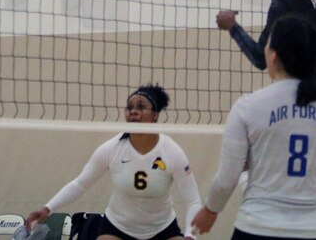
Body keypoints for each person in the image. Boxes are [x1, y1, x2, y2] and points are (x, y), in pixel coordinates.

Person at [191, 14, 316, 240]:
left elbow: (227, 179)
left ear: (273, 56)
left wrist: (210, 211)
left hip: (258, 230)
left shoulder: (248, 107)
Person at [24, 84, 202, 240]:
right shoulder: (112, 149)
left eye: (141, 107)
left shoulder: (171, 152)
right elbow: (80, 184)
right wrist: (48, 208)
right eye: (129, 107)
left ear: (155, 114)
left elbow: (193, 201)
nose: (133, 111)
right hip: (118, 227)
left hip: (161, 228)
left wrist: (189, 236)